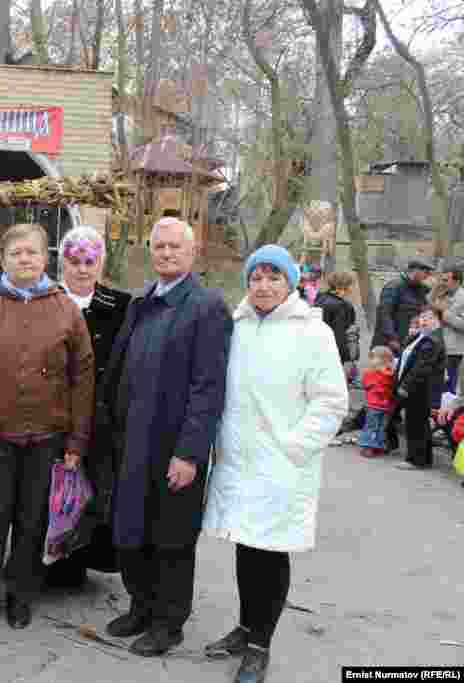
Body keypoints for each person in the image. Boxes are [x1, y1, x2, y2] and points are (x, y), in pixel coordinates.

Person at [201, 244, 348, 683]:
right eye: (256, 277)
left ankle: (260, 645)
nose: (263, 286)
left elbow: (331, 401)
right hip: (239, 461)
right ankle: (245, 629)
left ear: (290, 283)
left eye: (273, 277)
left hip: (283, 463)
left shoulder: (312, 332)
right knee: (246, 548)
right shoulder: (238, 325)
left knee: (270, 553)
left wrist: (295, 448)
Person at [0, 223, 95, 630]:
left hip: (46, 436)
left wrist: (77, 440)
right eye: (16, 253)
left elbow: (84, 379)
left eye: (32, 252)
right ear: (2, 260)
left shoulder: (67, 310)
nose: (24, 259)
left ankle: (20, 595)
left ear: (46, 259)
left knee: (32, 522)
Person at [97, 217, 232, 657]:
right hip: (133, 438)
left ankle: (167, 622)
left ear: (192, 253)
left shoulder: (207, 306)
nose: (167, 253)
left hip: (174, 446)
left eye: (176, 247)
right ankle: (140, 605)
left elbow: (209, 386)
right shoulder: (141, 302)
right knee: (131, 527)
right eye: (160, 247)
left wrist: (191, 453)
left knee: (170, 537)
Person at [46, 225, 131, 586]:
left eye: (90, 262)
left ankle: (78, 562)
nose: (82, 269)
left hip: (100, 415)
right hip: (53, 413)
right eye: (75, 261)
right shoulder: (45, 300)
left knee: (91, 490)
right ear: (62, 262)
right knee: (52, 491)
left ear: (101, 264)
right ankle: (49, 560)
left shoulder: (121, 305)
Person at [393, 308, 445, 471]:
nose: (423, 321)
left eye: (428, 318)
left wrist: (405, 386)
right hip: (416, 386)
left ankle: (416, 460)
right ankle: (423, 458)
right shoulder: (422, 336)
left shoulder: (432, 340)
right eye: (422, 317)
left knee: (415, 423)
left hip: (419, 388)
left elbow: (421, 368)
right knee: (418, 423)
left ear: (437, 320)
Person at [371, 260, 434, 352]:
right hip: (388, 344)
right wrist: (392, 338)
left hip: (409, 342)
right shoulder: (394, 286)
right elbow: (384, 314)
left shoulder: (423, 289)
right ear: (415, 271)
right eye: (426, 272)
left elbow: (427, 312)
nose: (427, 276)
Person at [314, 272, 357, 378]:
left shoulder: (320, 299)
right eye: (351, 285)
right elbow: (339, 335)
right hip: (332, 356)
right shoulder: (341, 306)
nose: (353, 288)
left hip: (316, 352)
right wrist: (347, 358)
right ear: (343, 286)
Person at [358, 346, 396, 457]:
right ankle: (379, 446)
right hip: (386, 405)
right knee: (381, 428)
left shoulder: (371, 373)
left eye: (372, 358)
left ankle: (369, 447)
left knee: (371, 427)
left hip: (374, 404)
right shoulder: (391, 373)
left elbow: (366, 385)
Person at [437, 265, 464, 394]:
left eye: (446, 280)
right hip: (439, 348)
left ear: (457, 281)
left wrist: (444, 313)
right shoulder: (442, 296)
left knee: (449, 388)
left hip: (454, 352)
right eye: (442, 279)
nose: (443, 283)